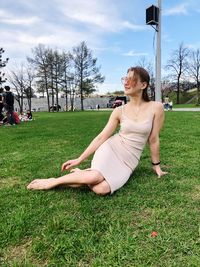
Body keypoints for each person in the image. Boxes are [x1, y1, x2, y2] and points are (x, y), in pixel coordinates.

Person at [27, 67, 167, 194]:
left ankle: (83, 175)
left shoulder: (156, 107)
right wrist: (80, 159)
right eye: (125, 78)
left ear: (144, 85)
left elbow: (153, 139)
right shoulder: (119, 111)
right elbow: (102, 137)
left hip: (129, 160)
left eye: (131, 79)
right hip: (112, 148)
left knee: (101, 189)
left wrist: (156, 166)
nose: (126, 82)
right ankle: (53, 181)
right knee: (95, 177)